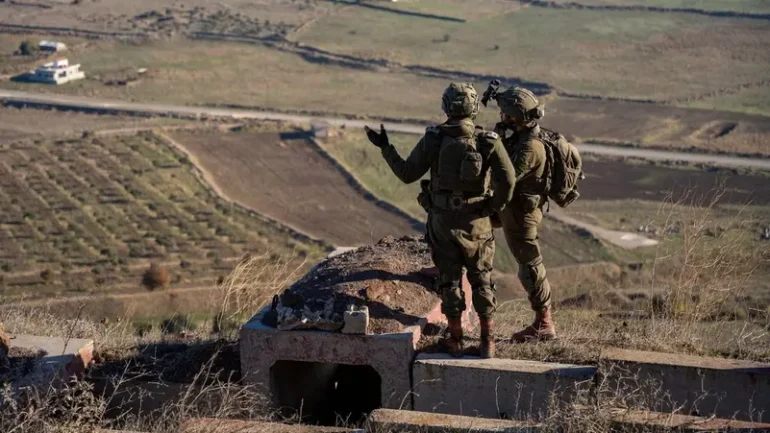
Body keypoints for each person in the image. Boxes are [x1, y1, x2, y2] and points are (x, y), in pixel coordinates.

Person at [364, 83, 515, 358]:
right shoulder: (488, 141)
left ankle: (455, 340)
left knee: (449, 280)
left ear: (446, 107)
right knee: (482, 278)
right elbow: (509, 180)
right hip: (478, 223)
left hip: (443, 223)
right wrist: (493, 209)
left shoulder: (435, 138)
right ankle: (488, 343)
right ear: (474, 109)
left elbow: (407, 173)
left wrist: (386, 147)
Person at [493, 87, 556, 342]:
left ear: (515, 118)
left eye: (505, 114)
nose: (502, 117)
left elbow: (506, 177)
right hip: (511, 208)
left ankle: (544, 323)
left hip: (521, 214)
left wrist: (494, 145)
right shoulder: (521, 139)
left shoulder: (530, 148)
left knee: (529, 265)